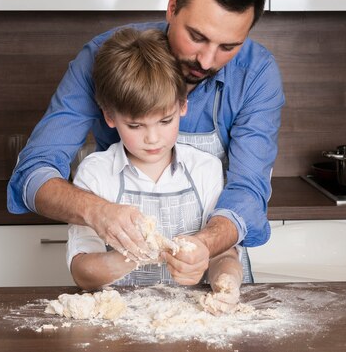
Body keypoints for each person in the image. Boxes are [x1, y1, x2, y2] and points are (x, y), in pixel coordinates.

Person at [7, 0, 285, 286]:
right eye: (197, 37)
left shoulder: (256, 73)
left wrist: (205, 246)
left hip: (209, 268)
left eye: (228, 46)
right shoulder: (104, 59)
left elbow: (248, 190)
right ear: (171, 8)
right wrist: (98, 212)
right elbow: (33, 173)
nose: (208, 61)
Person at [68, 28, 243, 312]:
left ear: (183, 105)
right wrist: (135, 255)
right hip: (120, 323)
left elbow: (224, 256)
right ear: (110, 117)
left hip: (192, 320)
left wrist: (227, 281)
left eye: (165, 121)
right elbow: (82, 272)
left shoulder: (205, 169)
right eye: (135, 126)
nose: (152, 138)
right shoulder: (96, 174)